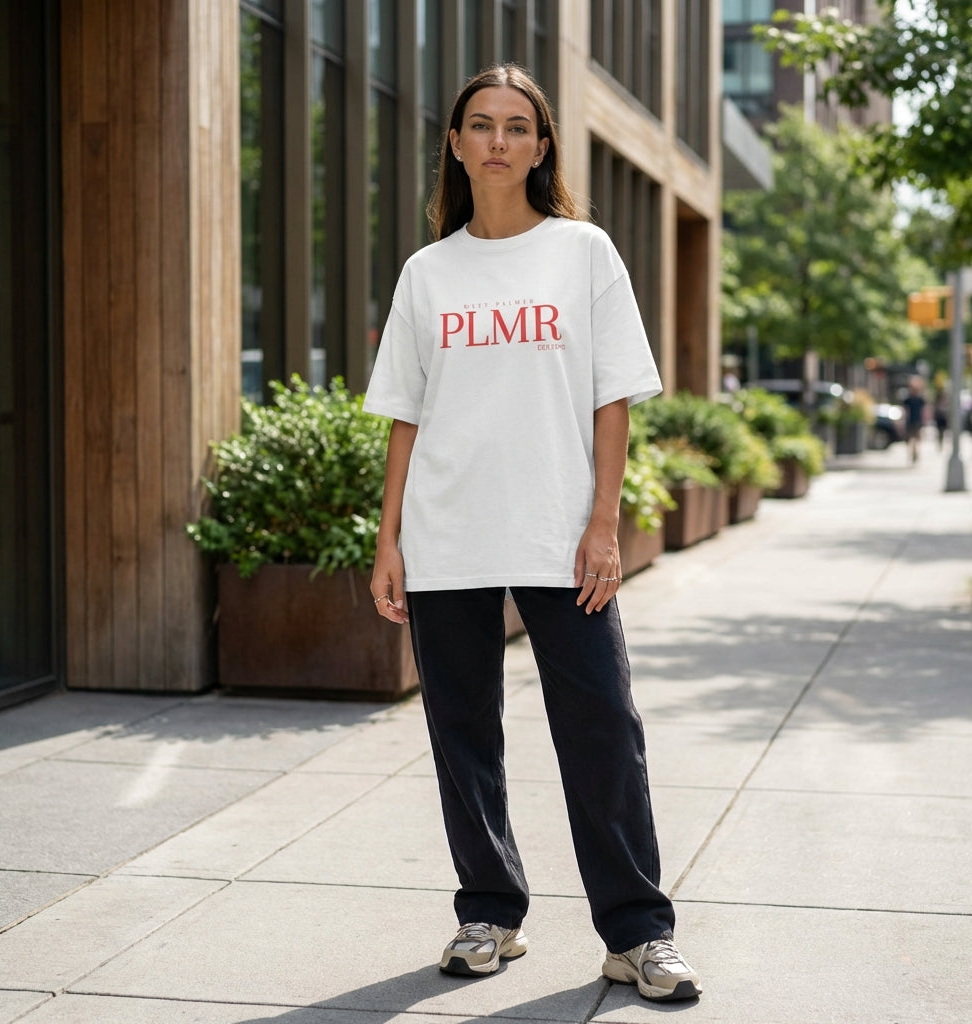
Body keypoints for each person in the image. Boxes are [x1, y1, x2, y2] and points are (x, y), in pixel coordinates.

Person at [362, 64, 701, 1003]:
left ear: (542, 146)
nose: (500, 141)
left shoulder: (584, 252)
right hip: (448, 532)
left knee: (602, 727)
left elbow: (612, 398)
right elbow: (405, 413)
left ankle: (637, 933)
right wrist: (388, 539)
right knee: (461, 731)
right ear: (459, 145)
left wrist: (604, 525)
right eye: (482, 125)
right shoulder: (427, 274)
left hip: (560, 533)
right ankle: (490, 913)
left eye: (518, 126)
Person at [903, 376, 927, 463]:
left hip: (916, 421)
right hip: (911, 421)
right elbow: (905, 410)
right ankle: (913, 453)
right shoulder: (909, 399)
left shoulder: (919, 399)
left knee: (916, 439)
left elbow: (924, 411)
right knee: (911, 439)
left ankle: (915, 453)